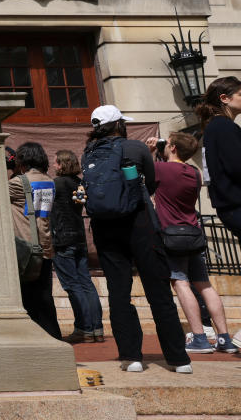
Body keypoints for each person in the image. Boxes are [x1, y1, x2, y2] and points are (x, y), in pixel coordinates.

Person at [82, 105, 192, 374]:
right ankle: (178, 359)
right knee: (159, 292)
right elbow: (152, 184)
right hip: (139, 223)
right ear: (119, 125)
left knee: (119, 293)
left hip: (105, 228)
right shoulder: (137, 149)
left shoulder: (89, 153)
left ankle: (131, 356)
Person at [146, 132, 236, 354]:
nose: (163, 145)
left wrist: (149, 153)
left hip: (171, 235)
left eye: (166, 143)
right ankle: (224, 338)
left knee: (180, 283)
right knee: (204, 284)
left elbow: (145, 178)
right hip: (193, 233)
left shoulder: (161, 169)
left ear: (174, 148)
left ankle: (199, 337)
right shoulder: (194, 173)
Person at [50, 149, 104, 344]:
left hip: (63, 238)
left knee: (72, 285)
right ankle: (96, 328)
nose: (54, 165)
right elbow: (79, 205)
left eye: (56, 162)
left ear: (62, 164)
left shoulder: (56, 184)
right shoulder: (79, 183)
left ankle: (84, 328)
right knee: (86, 283)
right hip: (79, 236)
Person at [8, 142, 60, 340]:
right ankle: (53, 337)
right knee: (45, 297)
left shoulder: (18, 183)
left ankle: (37, 339)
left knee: (28, 299)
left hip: (25, 248)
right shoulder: (49, 180)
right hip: (44, 244)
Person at [195, 77, 241, 242]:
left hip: (230, 207)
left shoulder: (215, 126)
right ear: (224, 98)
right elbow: (237, 167)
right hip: (236, 204)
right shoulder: (223, 126)